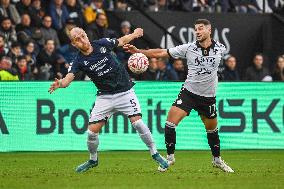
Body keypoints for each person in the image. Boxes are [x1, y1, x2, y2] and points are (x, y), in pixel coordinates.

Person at [48, 27, 169, 172]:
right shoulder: (78, 61)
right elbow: (67, 81)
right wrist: (59, 84)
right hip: (105, 97)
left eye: (82, 36)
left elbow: (122, 41)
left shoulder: (102, 44)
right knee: (92, 133)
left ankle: (155, 153)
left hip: (125, 92)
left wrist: (135, 34)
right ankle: (93, 160)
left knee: (137, 123)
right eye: (77, 40)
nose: (81, 40)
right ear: (74, 44)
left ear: (86, 35)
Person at [124, 18, 234, 173]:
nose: (197, 31)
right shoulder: (188, 48)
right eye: (195, 29)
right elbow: (162, 52)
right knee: (170, 123)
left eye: (201, 28)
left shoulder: (220, 48)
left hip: (208, 97)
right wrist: (139, 52)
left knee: (212, 130)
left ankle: (217, 160)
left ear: (209, 30)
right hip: (189, 93)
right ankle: (169, 158)